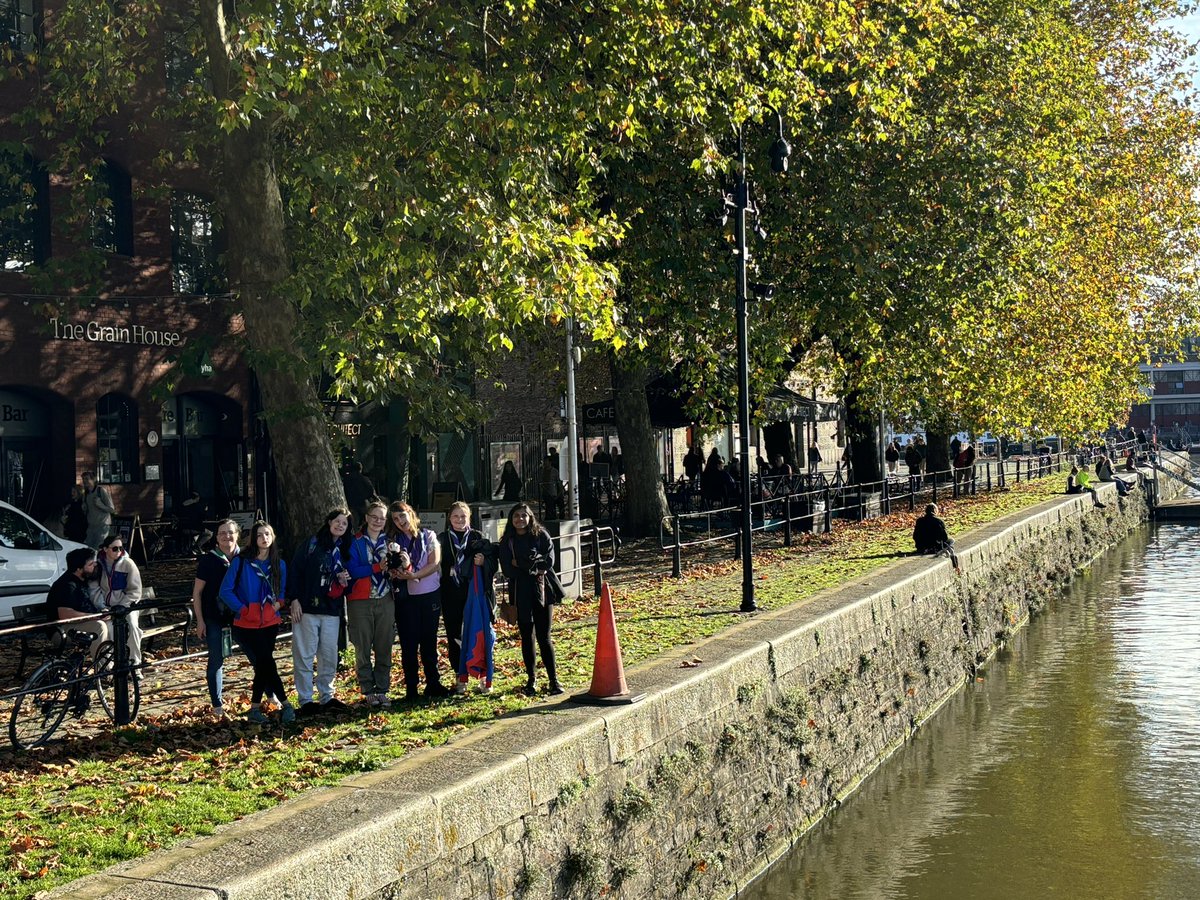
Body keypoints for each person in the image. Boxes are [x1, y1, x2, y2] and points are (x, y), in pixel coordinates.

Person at [219, 521, 294, 724]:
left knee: (264, 664)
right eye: (259, 535)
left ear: (273, 537)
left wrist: (277, 605)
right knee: (266, 663)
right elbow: (225, 591)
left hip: (270, 621)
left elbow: (282, 590)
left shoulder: (279, 564)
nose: (264, 538)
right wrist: (243, 609)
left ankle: (255, 708)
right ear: (253, 539)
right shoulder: (241, 562)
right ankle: (285, 704)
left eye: (267, 534)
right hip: (246, 623)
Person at [288, 508, 353, 716]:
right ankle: (306, 699)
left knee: (329, 655)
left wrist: (345, 581)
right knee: (305, 655)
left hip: (332, 609)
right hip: (307, 608)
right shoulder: (311, 544)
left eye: (344, 523)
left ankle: (327, 696)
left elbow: (351, 581)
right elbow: (295, 571)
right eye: (337, 521)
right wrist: (294, 599)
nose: (340, 525)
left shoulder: (345, 548)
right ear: (329, 521)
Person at [499, 503, 564, 696]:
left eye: (523, 515)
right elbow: (508, 570)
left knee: (544, 637)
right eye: (516, 516)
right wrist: (532, 564)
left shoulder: (541, 535)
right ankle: (531, 680)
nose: (520, 519)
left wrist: (521, 563)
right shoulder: (507, 541)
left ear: (530, 517)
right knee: (527, 637)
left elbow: (548, 562)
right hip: (520, 593)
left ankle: (554, 680)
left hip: (543, 591)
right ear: (511, 519)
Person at [388, 501, 448, 700]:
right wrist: (397, 570)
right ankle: (411, 688)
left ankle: (433, 683)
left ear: (411, 513)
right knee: (408, 643)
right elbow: (391, 568)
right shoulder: (393, 541)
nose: (400, 521)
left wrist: (414, 575)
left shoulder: (428, 535)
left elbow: (434, 563)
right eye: (395, 519)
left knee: (429, 641)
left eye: (402, 516)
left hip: (429, 593)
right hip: (406, 598)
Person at [438, 501, 495, 694]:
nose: (459, 520)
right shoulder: (442, 538)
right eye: (455, 516)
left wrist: (484, 561)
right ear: (449, 518)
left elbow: (493, 563)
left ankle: (483, 675)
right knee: (454, 634)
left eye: (463, 516)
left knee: (479, 631)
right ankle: (460, 675)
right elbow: (435, 564)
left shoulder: (477, 537)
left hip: (475, 593)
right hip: (450, 593)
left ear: (469, 517)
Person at [346, 501, 396, 707]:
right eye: (374, 517)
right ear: (366, 518)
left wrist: (400, 563)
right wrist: (377, 567)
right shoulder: (355, 542)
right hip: (360, 600)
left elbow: (400, 566)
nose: (378, 521)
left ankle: (383, 688)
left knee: (385, 644)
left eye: (382, 518)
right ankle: (368, 690)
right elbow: (352, 570)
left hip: (385, 597)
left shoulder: (390, 541)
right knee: (362, 646)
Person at [190, 519, 242, 716]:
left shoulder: (245, 558)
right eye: (222, 533)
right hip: (214, 617)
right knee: (215, 660)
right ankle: (217, 705)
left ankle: (268, 696)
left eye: (230, 532)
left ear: (237, 534)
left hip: (242, 616)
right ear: (216, 538)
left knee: (257, 655)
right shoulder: (208, 560)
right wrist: (200, 620)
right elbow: (197, 593)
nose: (226, 536)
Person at [92, 533, 144, 677]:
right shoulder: (98, 565)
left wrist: (122, 606)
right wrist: (102, 607)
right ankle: (109, 669)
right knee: (107, 630)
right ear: (105, 549)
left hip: (126, 606)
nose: (119, 551)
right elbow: (94, 589)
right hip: (107, 608)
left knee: (133, 627)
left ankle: (135, 665)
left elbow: (135, 591)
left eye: (121, 548)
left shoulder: (128, 564)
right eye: (115, 548)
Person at [47, 547, 108, 657]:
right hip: (61, 630)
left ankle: (116, 661)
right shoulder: (67, 585)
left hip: (78, 624)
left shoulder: (83, 579)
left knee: (113, 623)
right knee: (99, 627)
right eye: (91, 564)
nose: (95, 566)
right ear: (79, 569)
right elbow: (65, 615)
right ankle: (102, 666)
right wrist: (95, 617)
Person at [912, 503, 961, 574]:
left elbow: (915, 536)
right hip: (935, 547)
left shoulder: (919, 521)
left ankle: (926, 548)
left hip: (921, 547)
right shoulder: (939, 521)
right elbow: (944, 538)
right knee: (951, 541)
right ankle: (956, 567)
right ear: (935, 511)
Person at [82, 472, 116, 549]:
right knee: (89, 549)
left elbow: (112, 509)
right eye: (83, 479)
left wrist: (101, 505)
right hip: (91, 526)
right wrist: (84, 508)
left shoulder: (101, 491)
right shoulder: (86, 494)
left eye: (87, 479)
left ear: (93, 480)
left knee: (99, 548)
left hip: (102, 525)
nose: (84, 481)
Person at [539, 457, 565, 521]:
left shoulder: (554, 471)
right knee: (548, 505)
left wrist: (560, 491)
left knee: (551, 505)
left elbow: (558, 481)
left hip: (552, 491)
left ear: (550, 462)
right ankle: (549, 517)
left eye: (546, 461)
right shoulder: (542, 471)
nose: (545, 463)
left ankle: (552, 518)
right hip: (545, 491)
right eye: (544, 461)